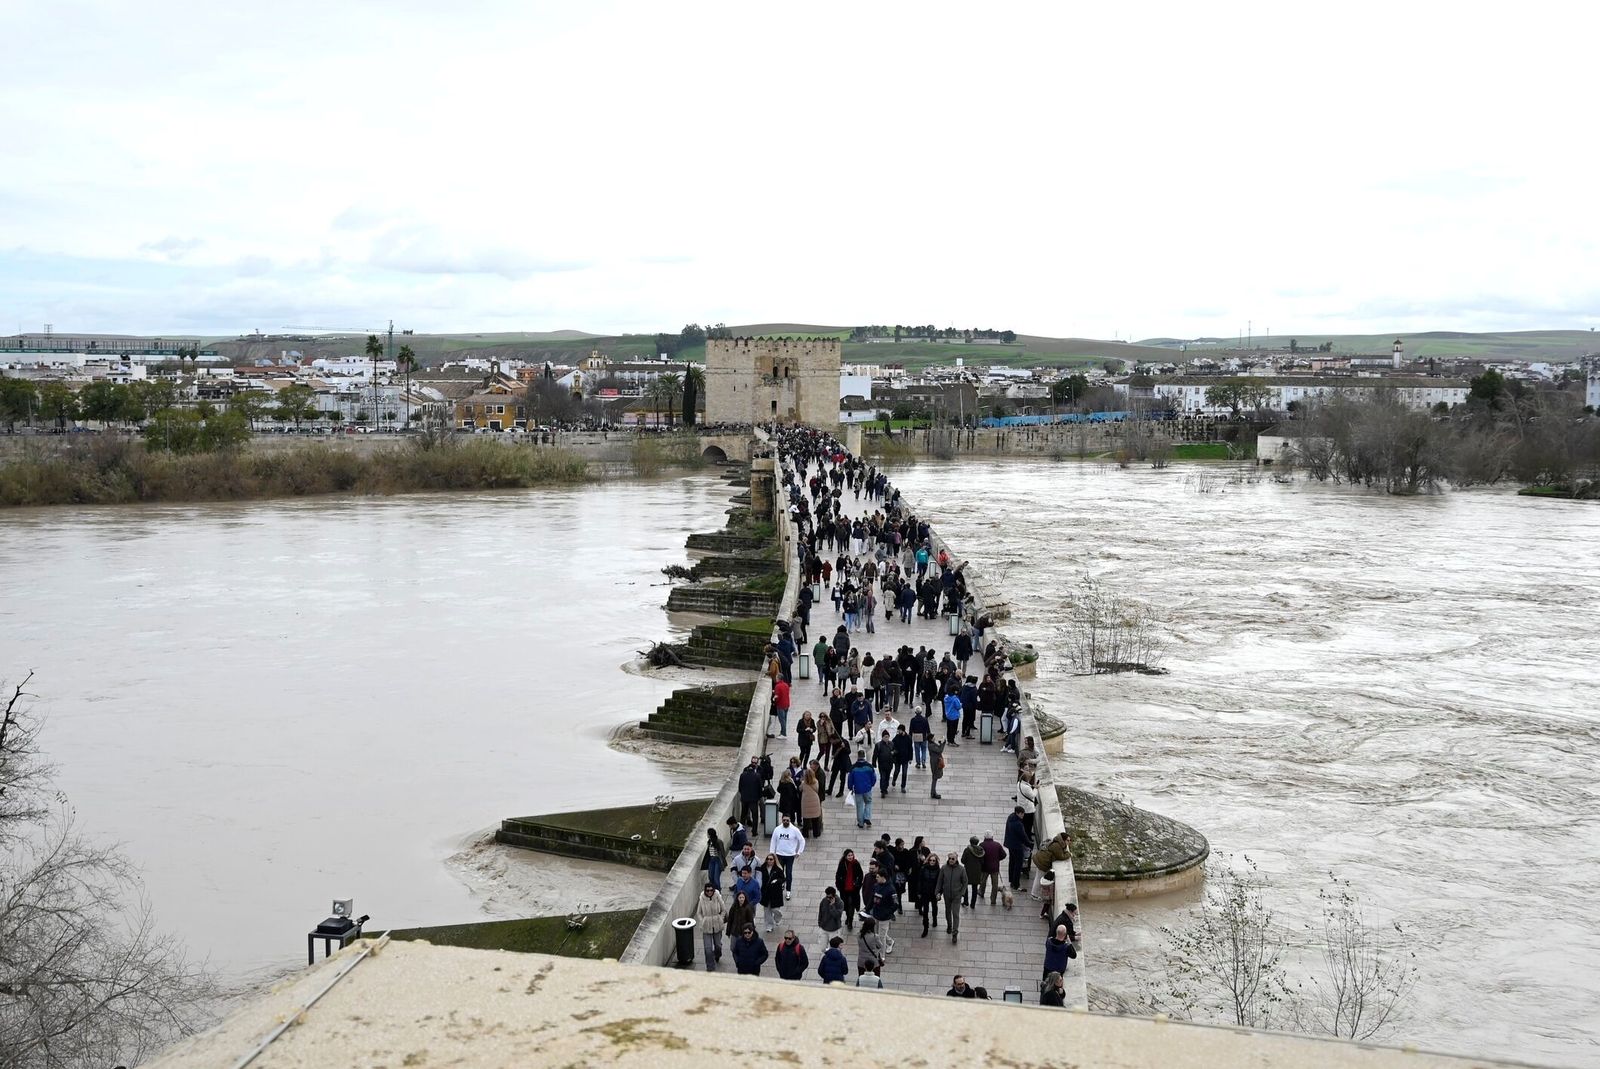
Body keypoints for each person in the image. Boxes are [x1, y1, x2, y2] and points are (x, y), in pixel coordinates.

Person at [769, 814, 806, 894]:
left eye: (787, 820)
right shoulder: (777, 829)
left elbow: (802, 840)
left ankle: (788, 890)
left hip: (790, 856)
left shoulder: (795, 830)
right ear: (782, 820)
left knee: (789, 873)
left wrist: (799, 852)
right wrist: (772, 853)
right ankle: (780, 885)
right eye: (784, 820)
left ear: (790, 820)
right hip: (779, 855)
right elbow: (773, 841)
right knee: (779, 873)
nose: (785, 822)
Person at [694, 883, 724, 971]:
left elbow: (723, 910)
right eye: (707, 890)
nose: (709, 892)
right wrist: (702, 921)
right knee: (708, 949)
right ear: (705, 890)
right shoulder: (702, 898)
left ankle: (717, 955)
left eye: (711, 890)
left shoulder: (717, 896)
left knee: (718, 945)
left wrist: (720, 919)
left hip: (717, 924)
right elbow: (698, 912)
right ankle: (710, 967)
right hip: (706, 926)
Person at [938, 851, 965, 943]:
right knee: (947, 911)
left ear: (956, 859)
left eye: (953, 859)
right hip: (947, 895)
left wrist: (961, 893)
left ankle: (955, 933)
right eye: (949, 858)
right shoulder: (944, 868)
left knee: (955, 913)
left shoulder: (961, 869)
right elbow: (940, 881)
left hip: (957, 895)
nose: (951, 860)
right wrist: (937, 892)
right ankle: (949, 925)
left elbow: (965, 882)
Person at [912, 850, 941, 937]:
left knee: (934, 907)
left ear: (936, 861)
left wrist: (939, 892)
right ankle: (926, 928)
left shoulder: (938, 870)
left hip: (934, 893)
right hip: (925, 892)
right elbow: (920, 881)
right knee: (925, 911)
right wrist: (919, 892)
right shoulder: (923, 868)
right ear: (928, 860)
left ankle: (935, 919)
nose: (932, 862)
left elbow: (940, 883)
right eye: (930, 860)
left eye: (934, 860)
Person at [835, 849, 865, 930]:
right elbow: (838, 875)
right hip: (844, 889)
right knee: (846, 905)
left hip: (854, 889)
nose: (850, 857)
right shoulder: (842, 864)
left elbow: (860, 874)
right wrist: (839, 885)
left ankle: (850, 921)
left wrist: (858, 883)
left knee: (851, 904)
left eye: (851, 855)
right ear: (845, 856)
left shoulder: (856, 863)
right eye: (849, 855)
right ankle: (848, 917)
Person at [847, 750, 877, 829]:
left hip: (858, 789)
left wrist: (850, 787)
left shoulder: (853, 767)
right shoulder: (869, 766)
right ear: (864, 756)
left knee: (859, 806)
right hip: (867, 789)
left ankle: (860, 823)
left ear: (858, 756)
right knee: (868, 802)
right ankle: (867, 817)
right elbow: (874, 777)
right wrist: (872, 784)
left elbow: (850, 779)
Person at [1005, 806, 1032, 891]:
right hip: (1017, 846)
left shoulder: (1010, 817)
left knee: (1012, 862)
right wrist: (1029, 844)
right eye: (1022, 814)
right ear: (1018, 813)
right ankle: (1016, 884)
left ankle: (1011, 880)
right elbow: (1023, 836)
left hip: (1010, 844)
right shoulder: (1018, 824)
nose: (1023, 815)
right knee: (1018, 864)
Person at [979, 831, 1006, 905]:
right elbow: (1004, 855)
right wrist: (997, 859)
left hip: (984, 867)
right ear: (992, 837)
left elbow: (979, 856)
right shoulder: (997, 845)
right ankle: (993, 899)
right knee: (995, 884)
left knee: (983, 881)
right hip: (995, 868)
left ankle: (981, 892)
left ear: (984, 837)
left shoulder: (981, 845)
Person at [738, 757, 763, 831]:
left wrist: (743, 795)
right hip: (754, 799)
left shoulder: (742, 775)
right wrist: (759, 797)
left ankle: (741, 829)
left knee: (743, 815)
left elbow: (740, 787)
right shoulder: (757, 776)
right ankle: (754, 831)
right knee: (755, 816)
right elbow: (759, 788)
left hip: (744, 798)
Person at [799, 769, 825, 840]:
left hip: (806, 802)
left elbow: (800, 789)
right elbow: (817, 789)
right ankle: (816, 833)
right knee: (815, 819)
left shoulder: (803, 783)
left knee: (806, 820)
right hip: (815, 801)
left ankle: (805, 834)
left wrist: (801, 781)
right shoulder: (816, 782)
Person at [1017, 771, 1039, 842]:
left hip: (1022, 806)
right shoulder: (1026, 787)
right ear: (1027, 779)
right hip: (1028, 809)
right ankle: (1028, 837)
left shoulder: (1019, 783)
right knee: (1028, 824)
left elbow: (1027, 790)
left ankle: (1027, 834)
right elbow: (1032, 795)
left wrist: (1032, 786)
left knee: (1024, 823)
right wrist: (1036, 788)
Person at [872, 731, 894, 799]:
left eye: (888, 737)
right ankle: (882, 791)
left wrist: (894, 753)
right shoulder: (878, 745)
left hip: (889, 764)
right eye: (885, 737)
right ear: (882, 737)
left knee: (887, 777)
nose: (887, 738)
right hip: (882, 765)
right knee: (883, 777)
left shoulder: (891, 743)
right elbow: (875, 755)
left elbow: (895, 751)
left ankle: (885, 787)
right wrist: (874, 763)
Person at [703, 828, 727, 892]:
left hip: (717, 861)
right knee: (710, 876)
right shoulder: (709, 842)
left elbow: (722, 853)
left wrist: (722, 863)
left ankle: (718, 892)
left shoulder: (718, 842)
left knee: (716, 878)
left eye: (708, 834)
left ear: (710, 834)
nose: (707, 835)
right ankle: (713, 890)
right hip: (711, 860)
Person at [891, 724, 912, 793]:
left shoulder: (908, 737)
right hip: (898, 758)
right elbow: (892, 744)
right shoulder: (897, 737)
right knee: (897, 771)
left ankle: (903, 786)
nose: (898, 731)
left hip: (905, 758)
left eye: (899, 730)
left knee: (904, 773)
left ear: (902, 730)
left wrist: (910, 758)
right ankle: (894, 779)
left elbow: (910, 748)